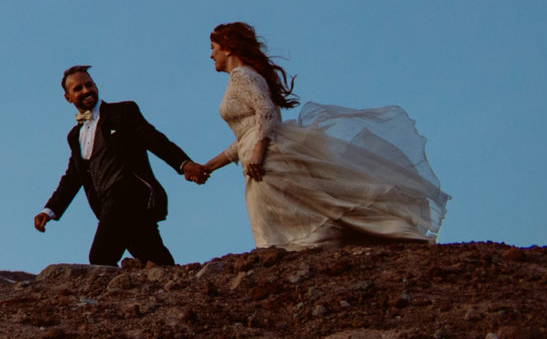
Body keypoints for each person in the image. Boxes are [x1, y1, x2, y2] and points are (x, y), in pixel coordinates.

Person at [185, 21, 449, 249]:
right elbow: (244, 136)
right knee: (302, 215)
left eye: (213, 48)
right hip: (256, 154)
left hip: (263, 159)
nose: (210, 56)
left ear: (227, 48)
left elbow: (267, 113)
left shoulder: (242, 76)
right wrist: (208, 167)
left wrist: (258, 151)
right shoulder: (244, 78)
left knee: (290, 223)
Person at [34, 64, 208, 266]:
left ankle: (104, 298)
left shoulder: (123, 112)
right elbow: (73, 176)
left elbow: (153, 139)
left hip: (130, 194)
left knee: (100, 257)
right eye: (78, 88)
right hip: (107, 204)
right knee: (152, 255)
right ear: (68, 98)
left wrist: (183, 163)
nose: (86, 91)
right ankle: (180, 289)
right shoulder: (75, 136)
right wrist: (49, 210)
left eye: (89, 85)